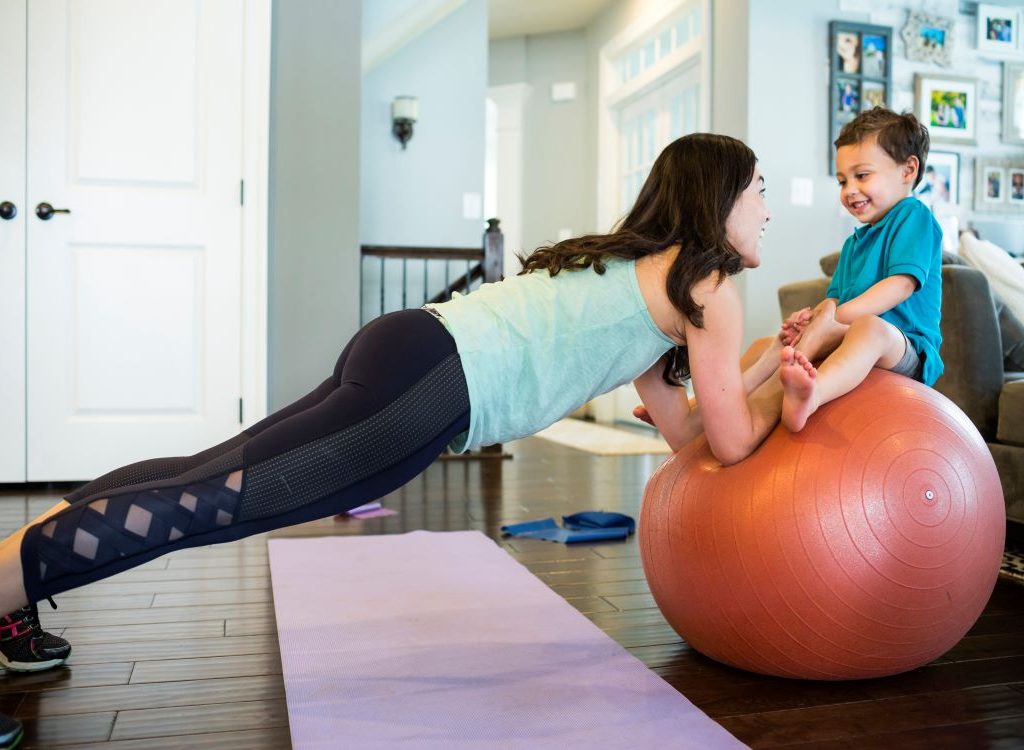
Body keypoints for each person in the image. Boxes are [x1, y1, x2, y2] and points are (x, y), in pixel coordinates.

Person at [0, 133, 780, 632]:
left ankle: (10, 588)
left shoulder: (648, 276)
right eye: (759, 191)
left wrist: (773, 357)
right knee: (217, 501)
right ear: (719, 199)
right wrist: (787, 370)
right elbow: (734, 441)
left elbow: (688, 435)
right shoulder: (709, 286)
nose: (768, 211)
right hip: (432, 384)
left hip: (408, 345)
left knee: (201, 474)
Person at [778, 108, 943, 432]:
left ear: (908, 170)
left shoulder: (914, 216)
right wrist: (813, 319)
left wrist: (834, 319)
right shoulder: (854, 243)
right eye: (842, 181)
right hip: (854, 336)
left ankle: (813, 395)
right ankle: (732, 399)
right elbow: (834, 301)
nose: (849, 189)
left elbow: (901, 284)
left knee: (870, 328)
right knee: (779, 343)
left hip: (907, 348)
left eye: (862, 176)